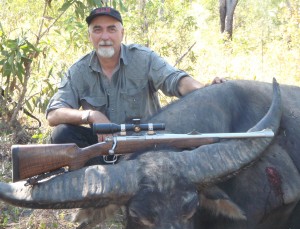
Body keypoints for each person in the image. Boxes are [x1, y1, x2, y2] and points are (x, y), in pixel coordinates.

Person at [46, 7, 223, 162]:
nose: (105, 36)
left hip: (147, 143)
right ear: (89, 35)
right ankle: (93, 181)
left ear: (122, 33)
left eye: (111, 29)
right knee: (62, 134)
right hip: (103, 146)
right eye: (98, 30)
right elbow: (53, 114)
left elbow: (176, 81)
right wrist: (91, 115)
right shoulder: (78, 71)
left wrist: (206, 89)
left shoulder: (144, 58)